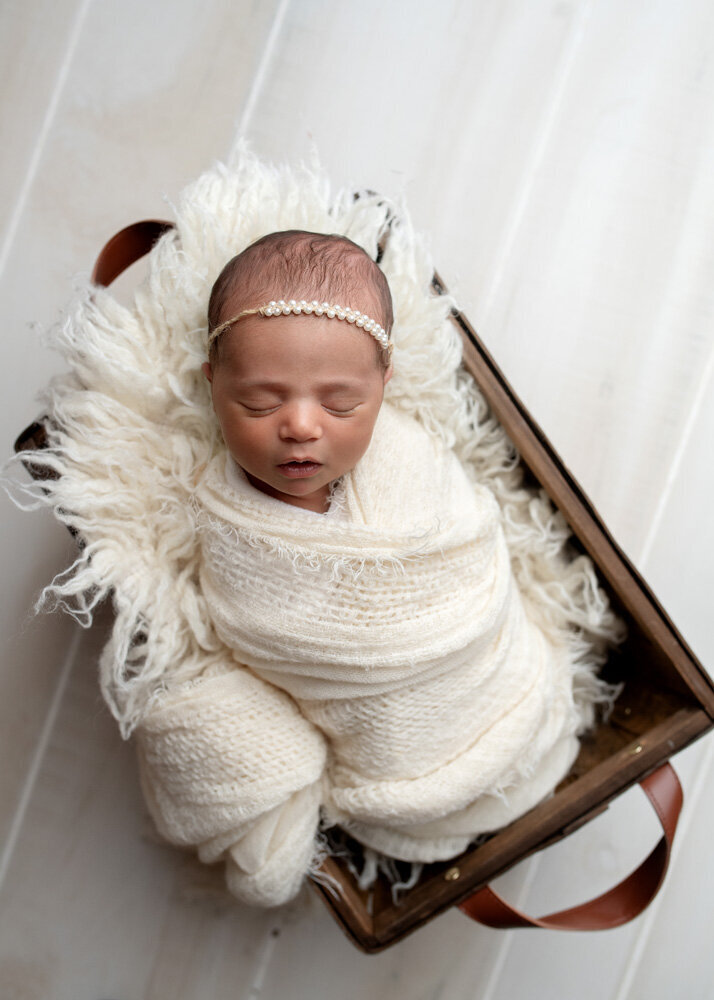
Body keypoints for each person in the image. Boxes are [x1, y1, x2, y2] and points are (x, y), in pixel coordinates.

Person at [135, 229, 616, 907]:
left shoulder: (409, 463)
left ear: (383, 384)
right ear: (213, 384)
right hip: (401, 784)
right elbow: (250, 637)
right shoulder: (228, 528)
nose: (301, 426)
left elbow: (474, 554)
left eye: (340, 404)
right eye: (260, 403)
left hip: (509, 696)